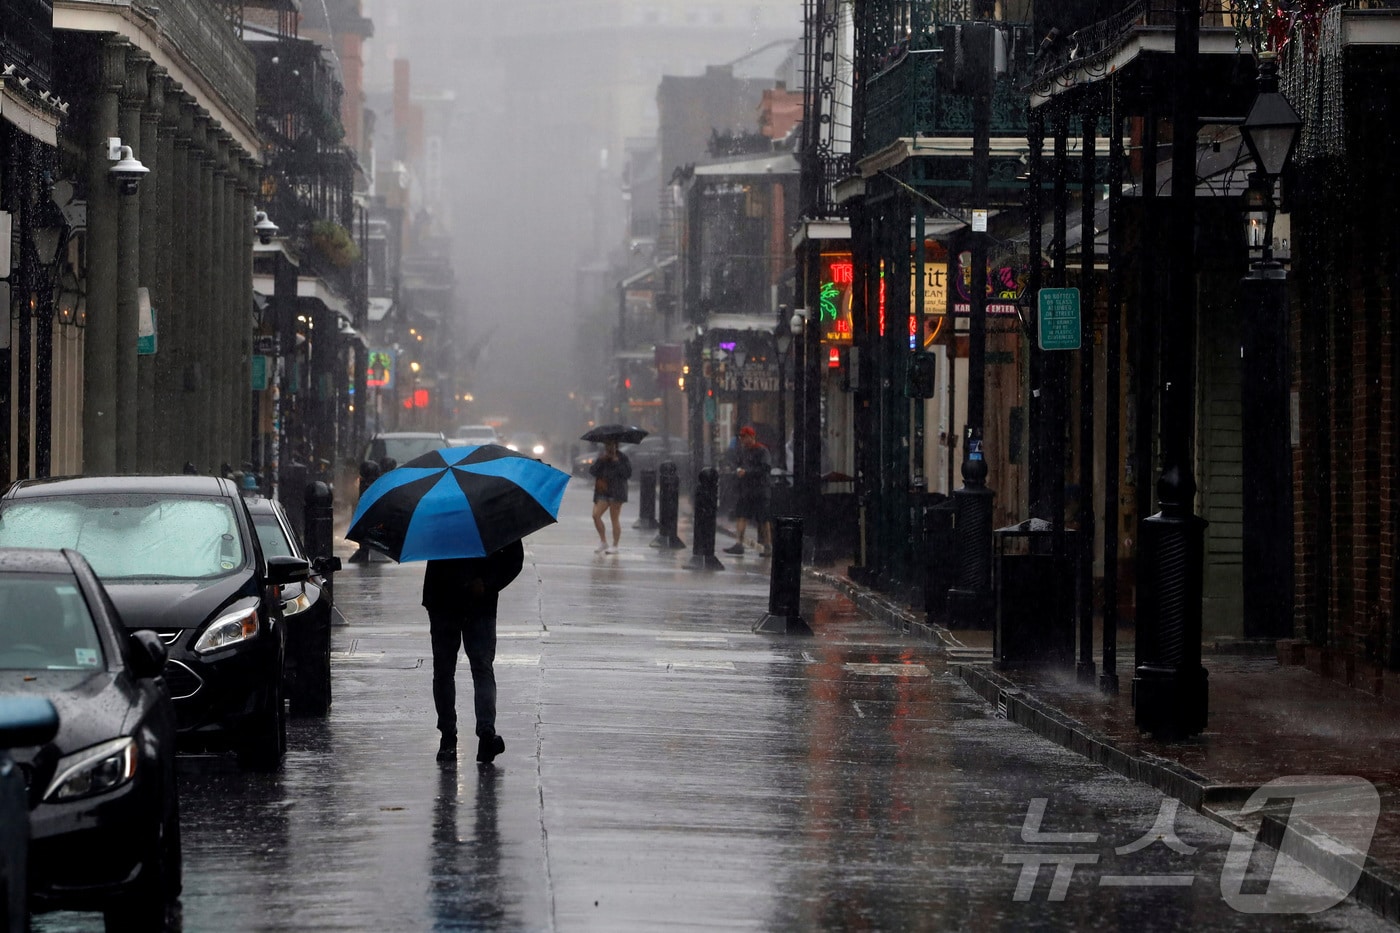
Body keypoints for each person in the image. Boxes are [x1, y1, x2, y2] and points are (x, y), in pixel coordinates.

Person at [422, 539, 525, 764]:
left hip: (470, 600)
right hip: (450, 600)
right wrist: (487, 583)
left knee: (467, 669)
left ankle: (478, 734)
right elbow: (514, 559)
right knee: (458, 670)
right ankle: (454, 734)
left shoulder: (438, 508)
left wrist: (487, 584)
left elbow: (514, 559)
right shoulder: (493, 509)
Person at [725, 426, 771, 557]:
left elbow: (765, 468)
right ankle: (739, 543)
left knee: (763, 518)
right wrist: (737, 470)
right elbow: (738, 463)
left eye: (745, 437)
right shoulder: (743, 451)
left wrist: (747, 472)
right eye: (741, 437)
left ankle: (767, 545)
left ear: (752, 436)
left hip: (760, 490)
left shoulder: (762, 451)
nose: (743, 439)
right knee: (742, 516)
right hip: (747, 490)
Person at [589, 439, 631, 554]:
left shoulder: (622, 458)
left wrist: (616, 462)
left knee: (614, 518)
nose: (609, 448)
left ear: (616, 446)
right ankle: (603, 541)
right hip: (603, 490)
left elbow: (627, 473)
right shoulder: (602, 458)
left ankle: (615, 545)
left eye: (611, 446)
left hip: (617, 491)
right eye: (607, 445)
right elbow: (592, 471)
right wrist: (601, 461)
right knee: (596, 515)